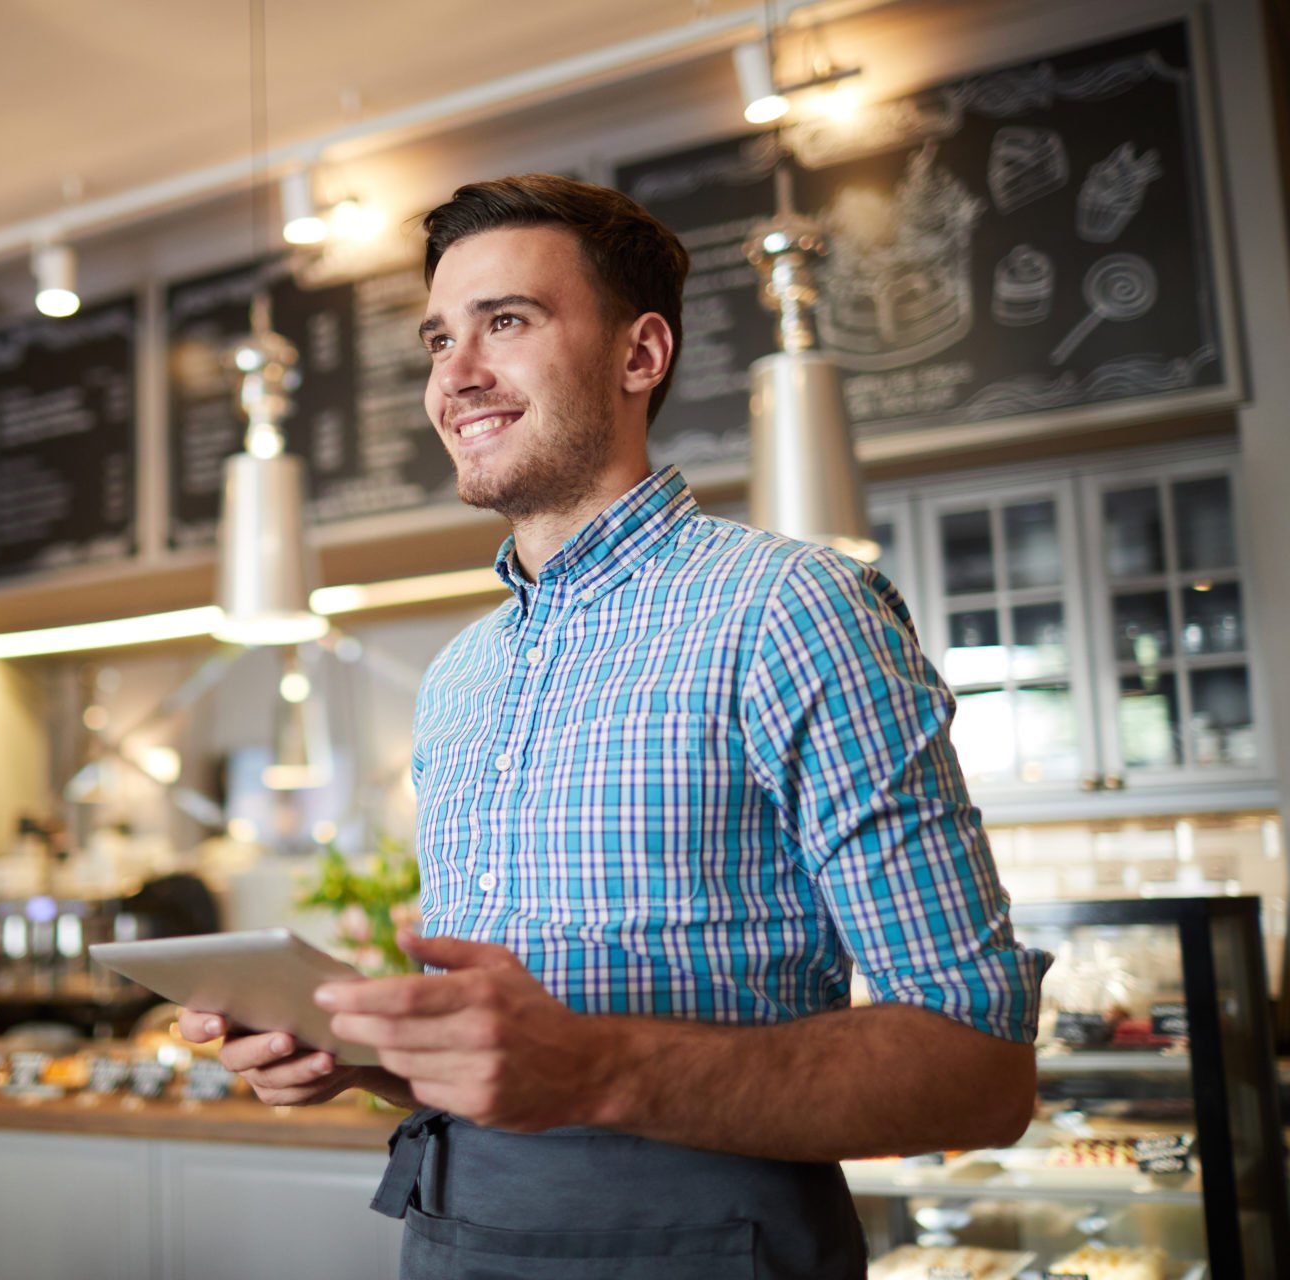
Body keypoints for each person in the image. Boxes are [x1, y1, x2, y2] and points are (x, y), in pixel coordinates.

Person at [180, 174, 1051, 1279]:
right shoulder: (460, 676)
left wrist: (596, 1067)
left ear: (641, 355)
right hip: (450, 1235)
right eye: (439, 338)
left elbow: (978, 1064)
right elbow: (517, 1060)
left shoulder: (792, 609)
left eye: (507, 321)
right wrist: (370, 1055)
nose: (456, 373)